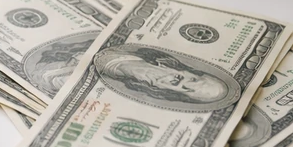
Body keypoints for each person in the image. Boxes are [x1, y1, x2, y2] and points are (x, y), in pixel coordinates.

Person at [96, 47, 231, 106]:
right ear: (191, 72)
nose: (180, 82)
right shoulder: (155, 56)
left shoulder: (132, 82)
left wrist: (128, 69)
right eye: (193, 79)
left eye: (187, 89)